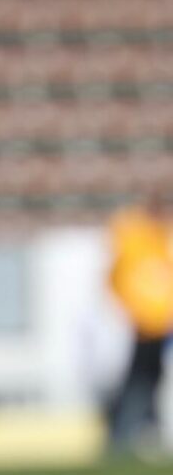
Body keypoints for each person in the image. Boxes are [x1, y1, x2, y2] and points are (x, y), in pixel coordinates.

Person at [107, 192, 173, 449]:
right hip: (147, 325)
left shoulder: (158, 241)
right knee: (140, 380)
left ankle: (143, 427)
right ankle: (125, 432)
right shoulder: (137, 241)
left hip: (158, 324)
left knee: (149, 378)